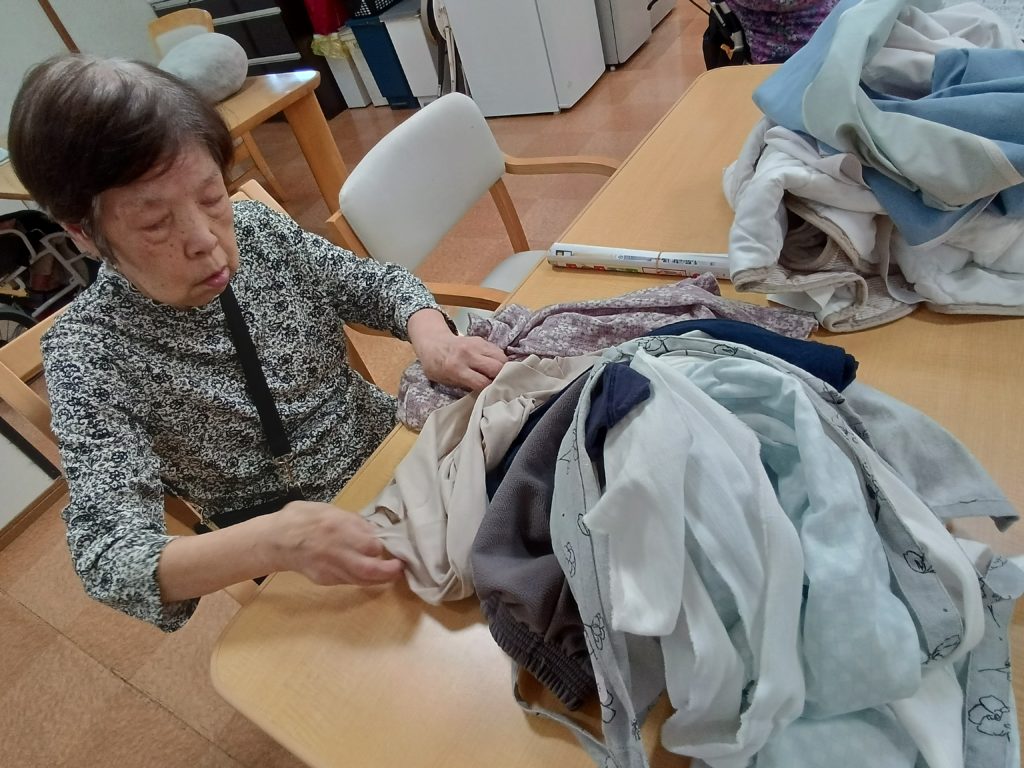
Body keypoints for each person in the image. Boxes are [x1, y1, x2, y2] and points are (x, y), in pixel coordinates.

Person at [8, 54, 509, 631]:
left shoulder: (257, 230)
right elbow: (109, 557)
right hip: (299, 551)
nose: (205, 240)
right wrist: (275, 542)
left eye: (211, 196)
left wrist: (432, 335)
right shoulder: (90, 353)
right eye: (155, 223)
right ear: (83, 234)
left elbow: (373, 284)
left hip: (397, 450)